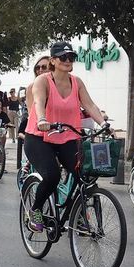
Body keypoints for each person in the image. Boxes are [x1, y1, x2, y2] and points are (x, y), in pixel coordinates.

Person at [23, 41, 108, 234]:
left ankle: (75, 214)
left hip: (67, 137)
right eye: (63, 57)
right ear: (53, 60)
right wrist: (42, 119)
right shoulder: (43, 81)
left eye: (71, 57)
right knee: (52, 175)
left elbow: (89, 105)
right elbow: (39, 101)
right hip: (39, 137)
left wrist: (104, 124)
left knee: (84, 174)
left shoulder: (77, 82)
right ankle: (35, 210)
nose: (68, 60)